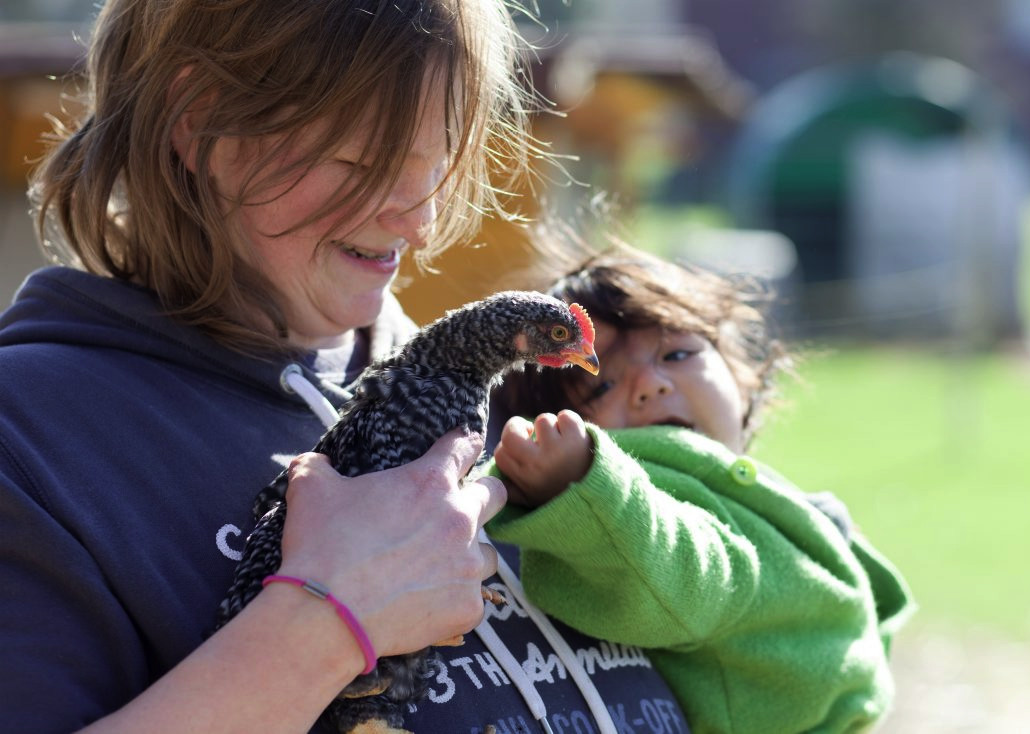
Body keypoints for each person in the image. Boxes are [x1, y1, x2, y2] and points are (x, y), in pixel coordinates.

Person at [0, 2, 692, 732]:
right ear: (199, 123)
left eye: (441, 159)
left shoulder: (487, 393)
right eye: (368, 163)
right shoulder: (34, 442)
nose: (419, 221)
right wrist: (326, 624)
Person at [489, 245, 917, 733]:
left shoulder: (756, 491)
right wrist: (583, 488)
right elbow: (669, 567)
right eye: (601, 386)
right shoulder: (644, 491)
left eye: (677, 353)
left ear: (738, 371)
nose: (650, 385)